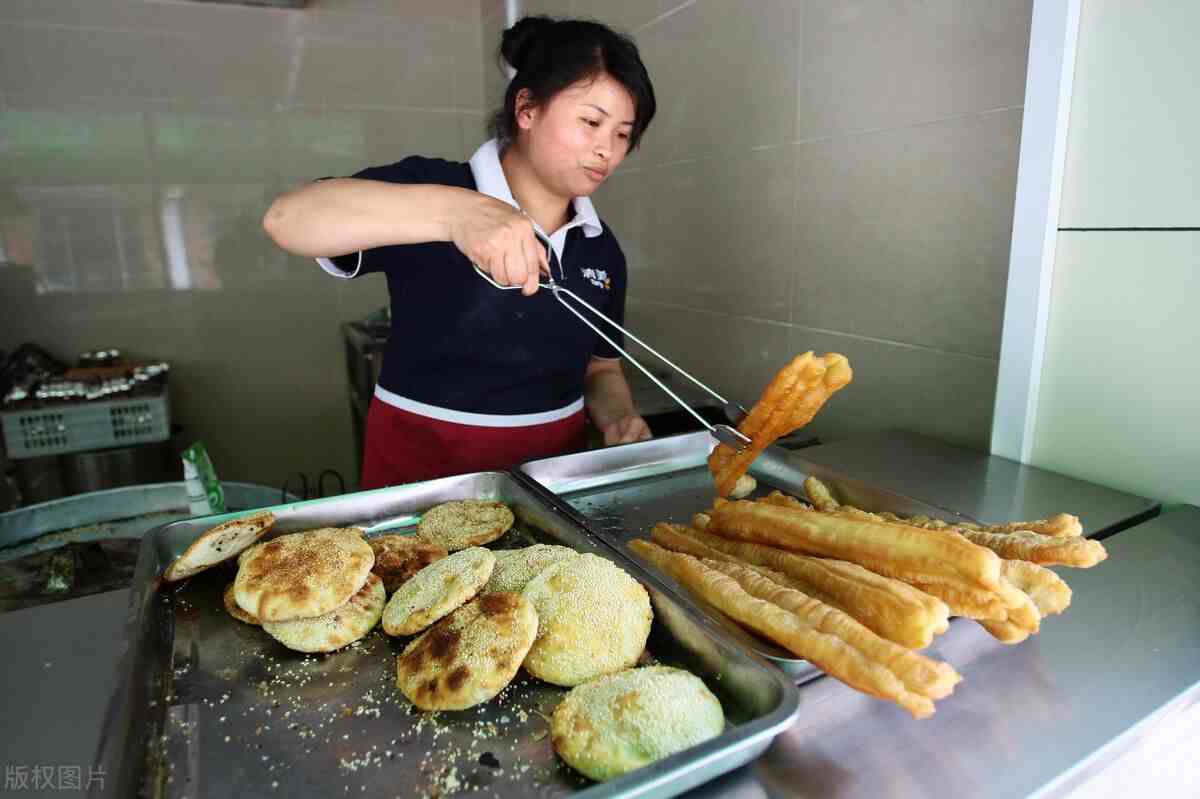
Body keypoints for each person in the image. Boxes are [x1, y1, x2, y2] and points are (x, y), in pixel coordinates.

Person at [263, 16, 656, 489]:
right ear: (527, 109)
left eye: (621, 134)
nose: (606, 150)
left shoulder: (601, 246)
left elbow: (601, 366)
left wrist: (618, 417)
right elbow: (288, 219)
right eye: (591, 122)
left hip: (552, 486)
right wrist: (457, 214)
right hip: (420, 480)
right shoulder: (436, 189)